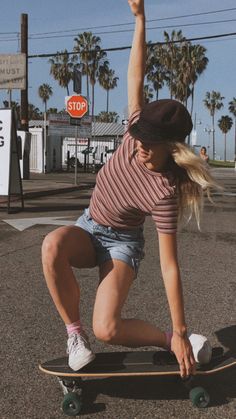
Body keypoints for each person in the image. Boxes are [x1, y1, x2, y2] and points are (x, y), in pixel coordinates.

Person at [42, 0, 217, 378]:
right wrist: (140, 20)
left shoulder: (165, 190)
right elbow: (135, 74)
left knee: (108, 328)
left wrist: (183, 332)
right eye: (138, 137)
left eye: (149, 142)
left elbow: (170, 267)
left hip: (122, 243)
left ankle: (168, 339)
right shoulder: (135, 127)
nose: (139, 145)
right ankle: (75, 336)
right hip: (89, 226)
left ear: (172, 147)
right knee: (52, 245)